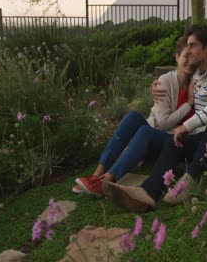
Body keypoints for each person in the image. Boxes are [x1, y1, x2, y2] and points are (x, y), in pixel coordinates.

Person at [102, 25, 207, 213]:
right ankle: (147, 193)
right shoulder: (199, 73)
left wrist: (187, 125)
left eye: (192, 45)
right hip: (204, 141)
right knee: (175, 141)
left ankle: (191, 179)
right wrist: (155, 86)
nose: (188, 50)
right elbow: (176, 76)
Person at [72, 36, 196, 196]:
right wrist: (188, 104)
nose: (190, 61)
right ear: (177, 57)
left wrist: (190, 102)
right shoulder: (166, 81)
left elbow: (165, 126)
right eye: (186, 55)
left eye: (193, 57)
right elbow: (163, 123)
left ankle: (105, 182)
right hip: (158, 133)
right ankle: (97, 174)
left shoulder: (198, 81)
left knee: (145, 131)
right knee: (133, 116)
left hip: (174, 141)